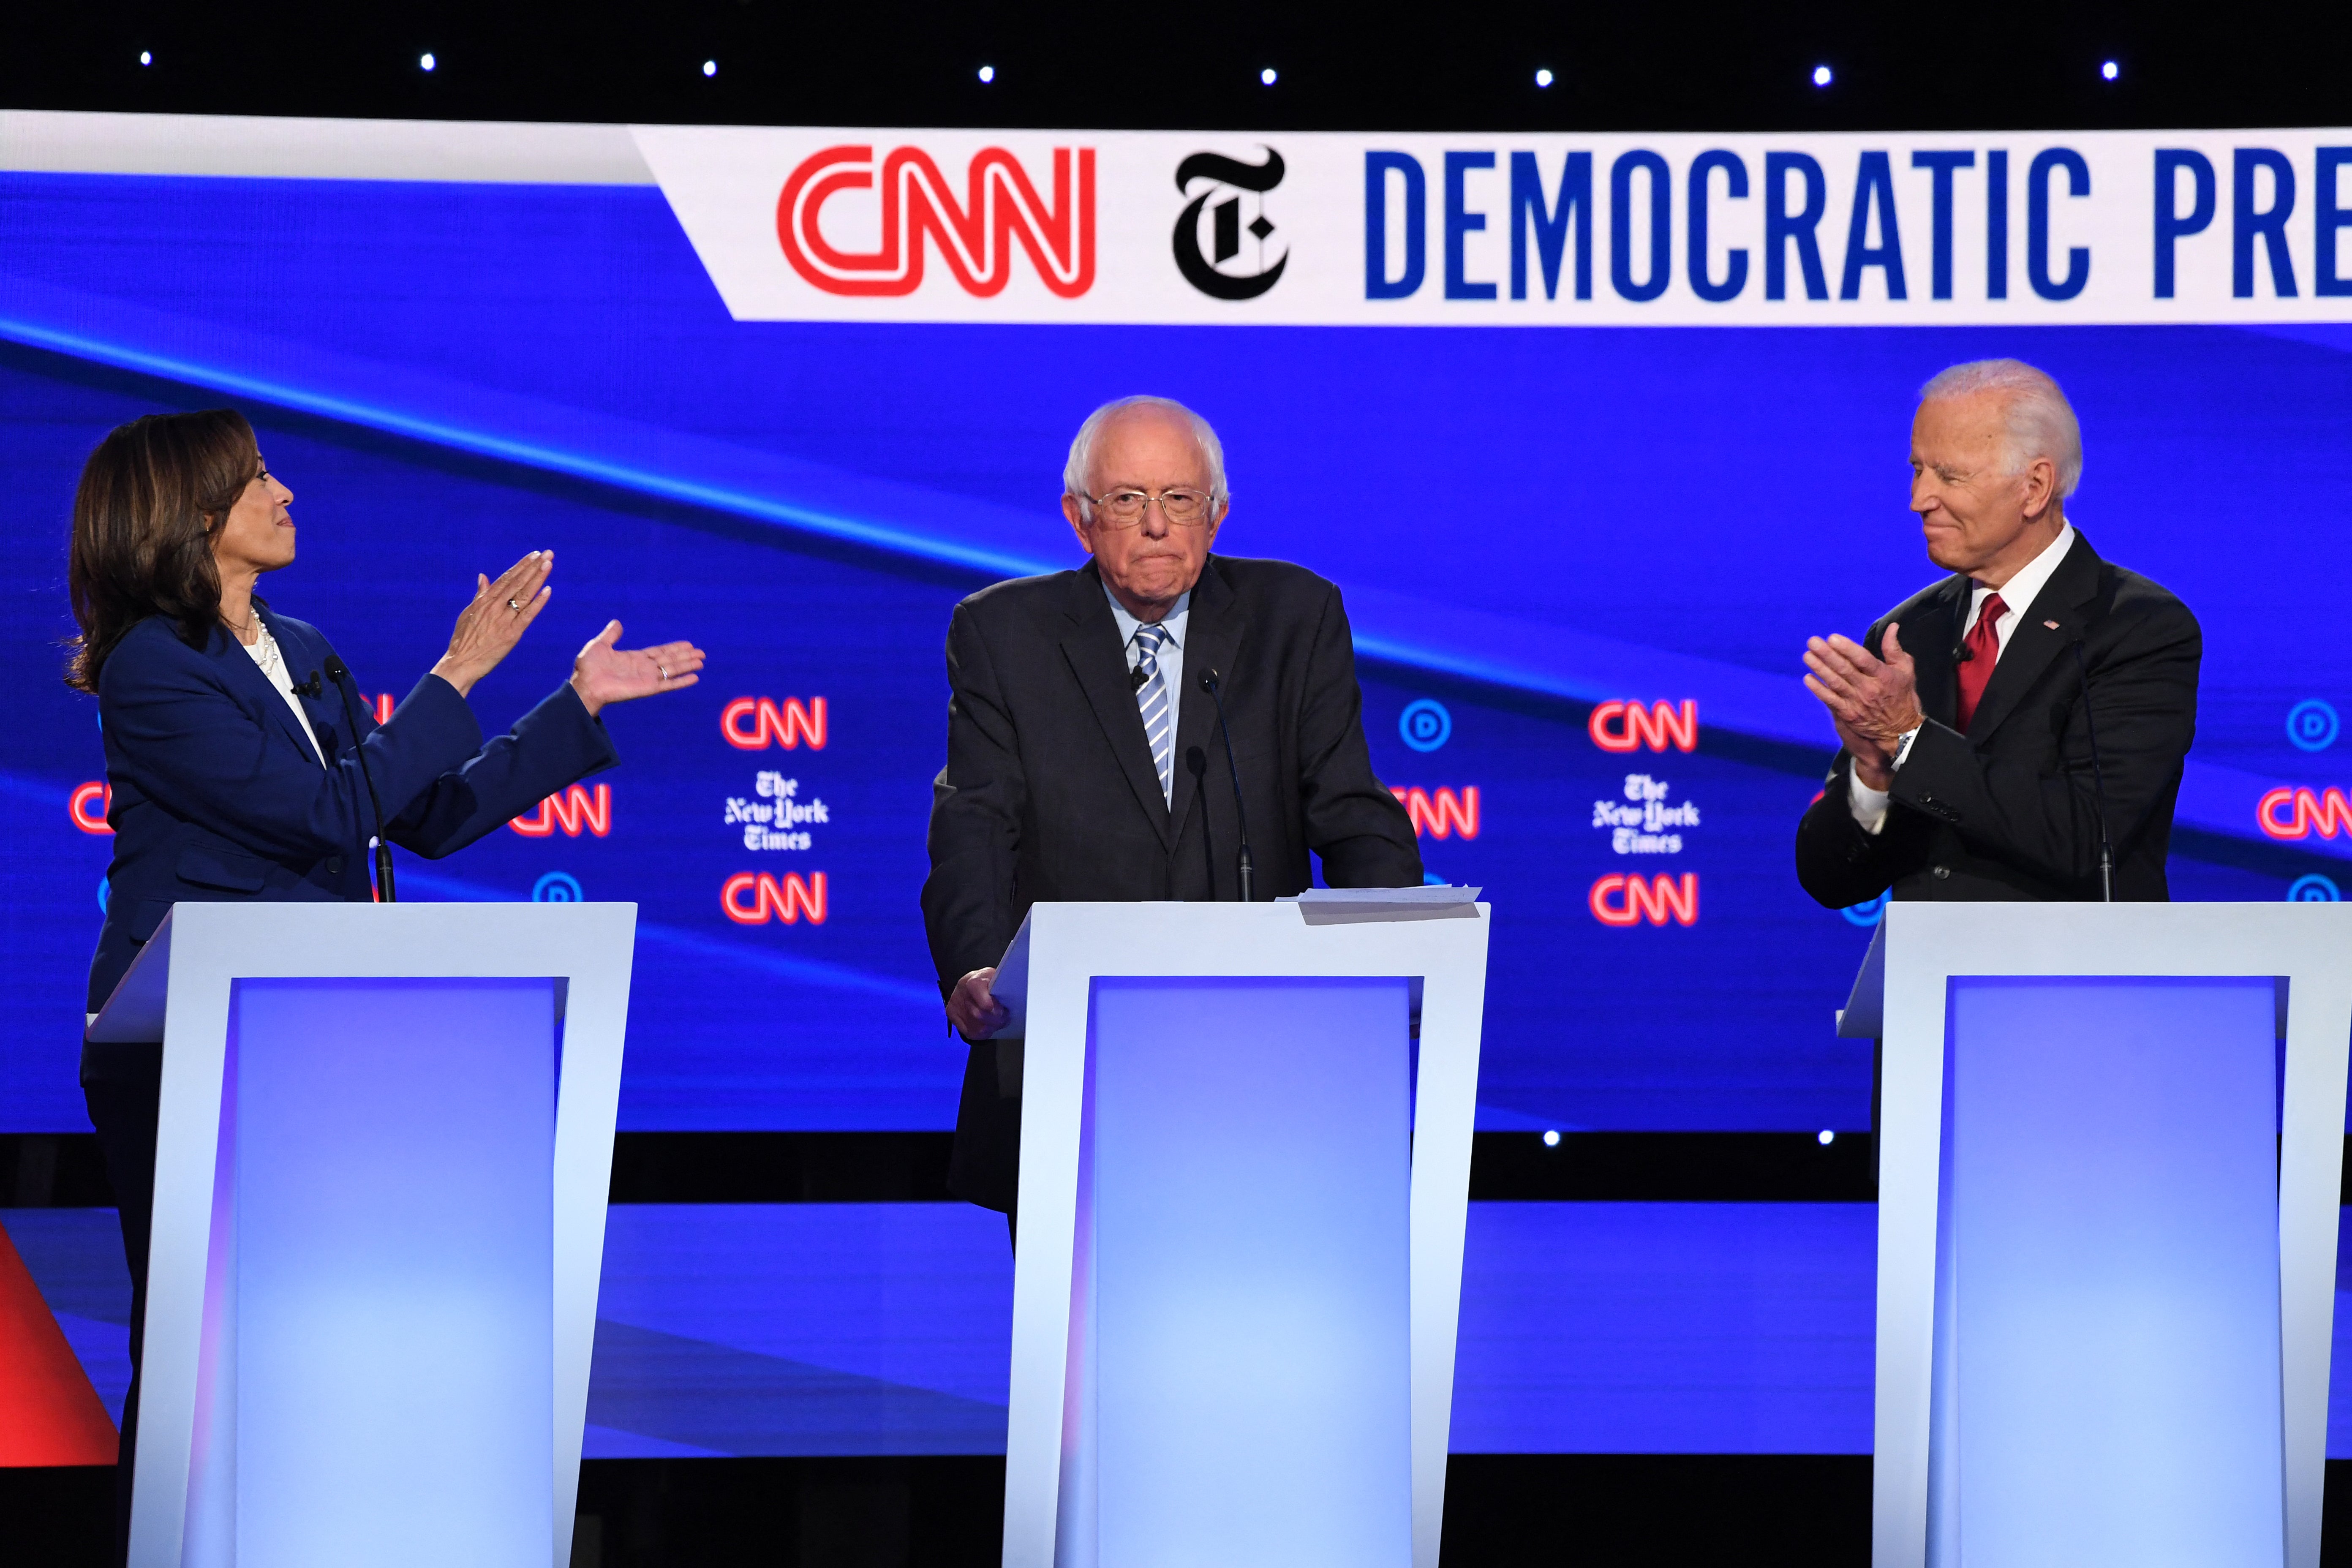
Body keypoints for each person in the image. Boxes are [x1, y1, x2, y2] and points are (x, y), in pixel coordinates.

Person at [68, 408, 706, 1560]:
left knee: (322, 1350)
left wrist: (577, 710)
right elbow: (324, 812)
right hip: (191, 1048)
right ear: (192, 513)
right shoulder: (150, 669)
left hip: (320, 1040)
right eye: (257, 477)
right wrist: (458, 669)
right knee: (203, 1358)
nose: (286, 491)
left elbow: (423, 813)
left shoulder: (300, 646)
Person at [920, 395, 1424, 1224]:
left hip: (1270, 1050)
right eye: (1126, 500)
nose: (1156, 524)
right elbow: (975, 820)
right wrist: (975, 967)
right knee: (1083, 1341)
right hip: (1073, 1054)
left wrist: (1397, 956)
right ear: (1079, 520)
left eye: (1179, 499)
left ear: (1217, 514)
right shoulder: (1003, 633)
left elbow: (1350, 808)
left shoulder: (1294, 619)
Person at [1794, 359, 2200, 906]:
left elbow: (2086, 840)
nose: (1919, 499)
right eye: (1917, 469)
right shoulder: (1907, 633)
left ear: (2034, 487)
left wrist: (1909, 740)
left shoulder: (2138, 628)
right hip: (1929, 984)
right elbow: (1832, 881)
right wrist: (1873, 776)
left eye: (1949, 475)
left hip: (2079, 984)